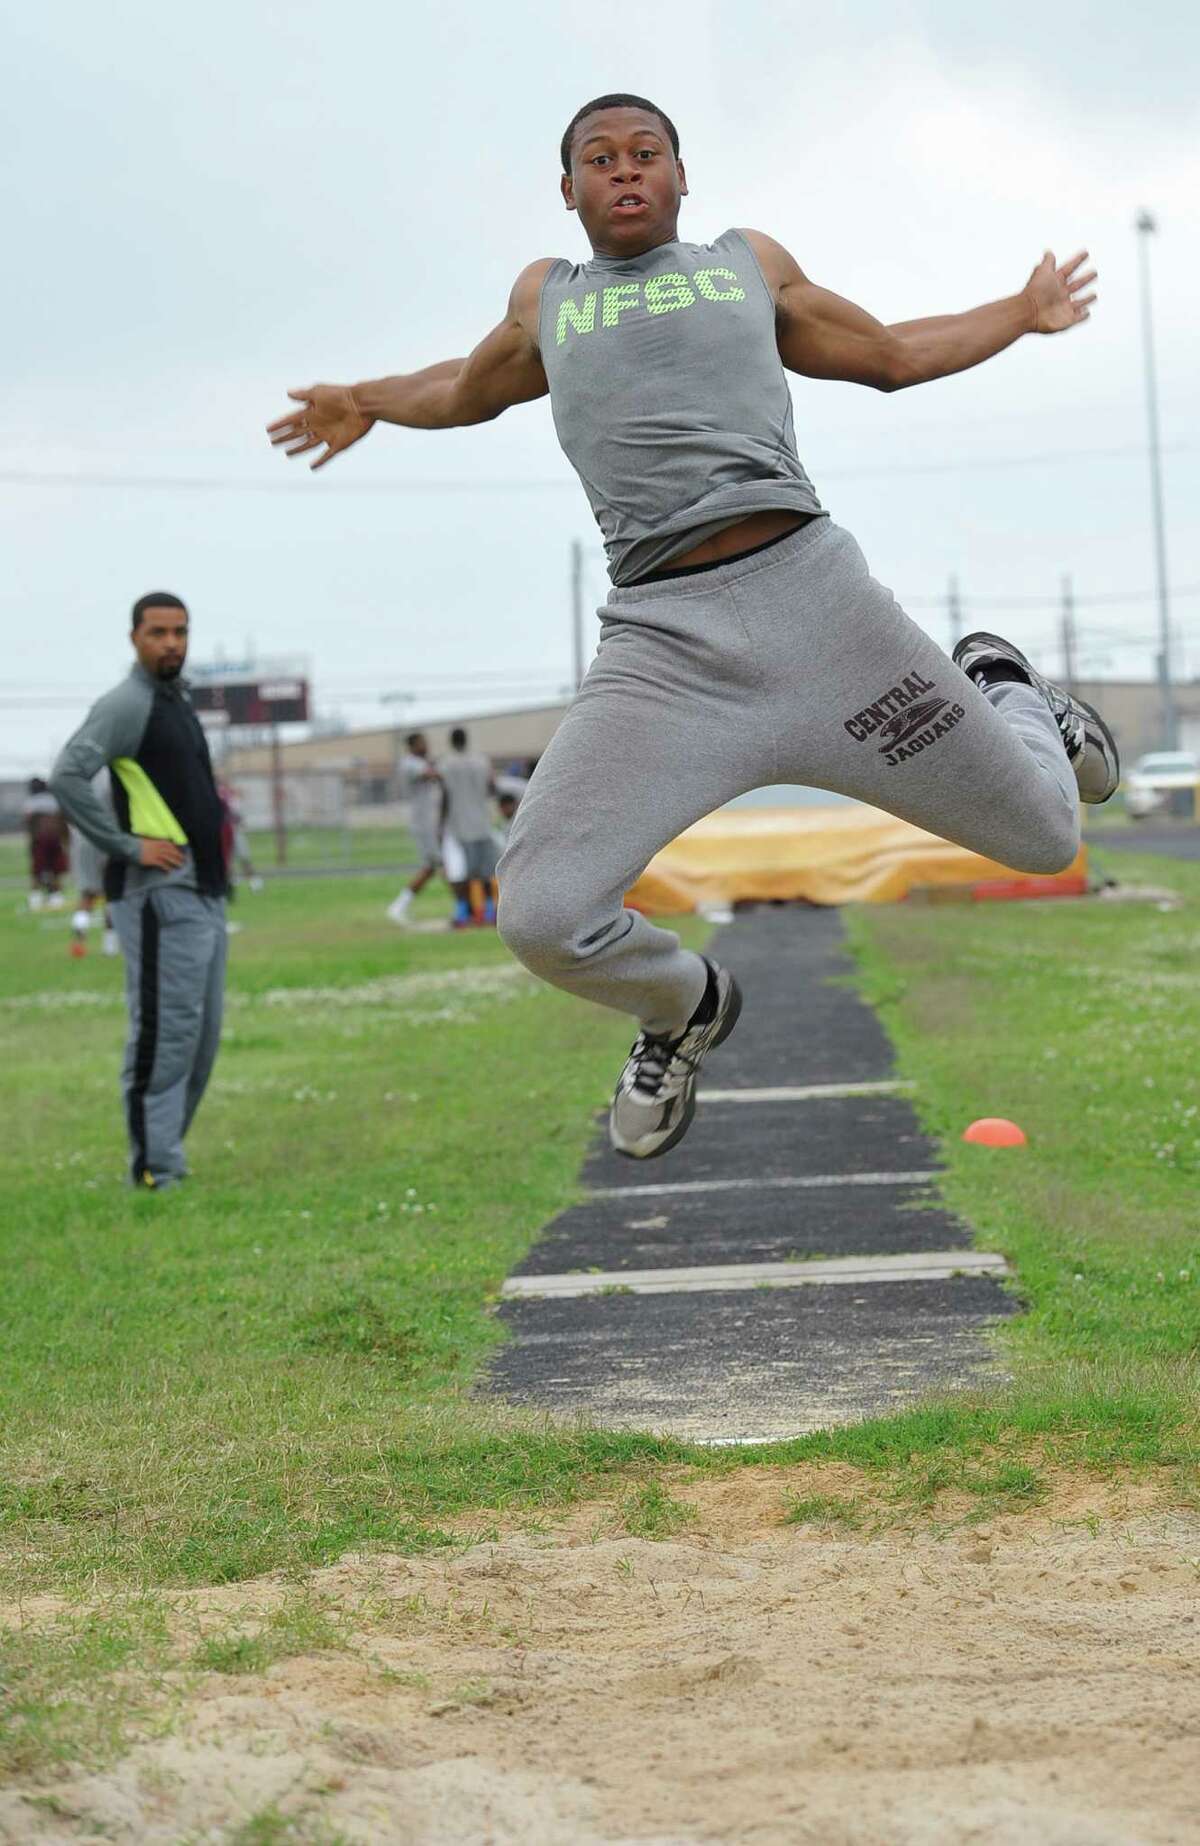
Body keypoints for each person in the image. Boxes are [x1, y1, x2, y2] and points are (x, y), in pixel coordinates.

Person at [267, 93, 1117, 1162]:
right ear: (567, 188)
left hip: (820, 609)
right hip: (663, 648)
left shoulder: (746, 265)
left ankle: (1006, 686)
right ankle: (683, 1006)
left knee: (1046, 835)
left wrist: (1018, 309)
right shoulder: (549, 299)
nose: (625, 172)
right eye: (599, 159)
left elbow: (894, 352)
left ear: (680, 177)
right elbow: (464, 388)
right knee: (539, 913)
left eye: (646, 155)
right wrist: (369, 397)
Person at [50, 592, 229, 1188]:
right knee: (165, 1036)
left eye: (180, 631)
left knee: (201, 1040)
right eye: (158, 632)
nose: (172, 642)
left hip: (201, 893)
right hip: (157, 896)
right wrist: (127, 846)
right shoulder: (126, 704)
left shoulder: (175, 701)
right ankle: (155, 1170)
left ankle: (165, 1154)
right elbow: (68, 774)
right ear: (135, 638)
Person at [435, 727, 500, 926]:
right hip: (482, 822)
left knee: (463, 873)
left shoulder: (445, 764)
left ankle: (464, 913)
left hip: (459, 825)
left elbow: (444, 795)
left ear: (451, 742)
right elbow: (492, 788)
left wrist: (440, 822)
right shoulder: (481, 761)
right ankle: (489, 911)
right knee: (487, 872)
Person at [387, 731, 443, 925]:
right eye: (422, 743)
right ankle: (466, 908)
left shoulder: (419, 762)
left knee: (434, 867)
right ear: (412, 746)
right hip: (423, 823)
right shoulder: (410, 763)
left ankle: (399, 906)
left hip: (430, 822)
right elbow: (433, 774)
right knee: (439, 865)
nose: (426, 746)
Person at [69, 772, 119, 958]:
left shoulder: (80, 776)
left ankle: (78, 941)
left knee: (87, 893)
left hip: (82, 839)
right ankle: (110, 945)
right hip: (105, 837)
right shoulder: (110, 775)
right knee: (111, 894)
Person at [23, 777, 69, 910]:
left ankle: (35, 898)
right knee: (55, 870)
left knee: (37, 870)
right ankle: (56, 897)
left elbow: (29, 823)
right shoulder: (54, 801)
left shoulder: (30, 803)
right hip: (55, 839)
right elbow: (62, 821)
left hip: (39, 840)